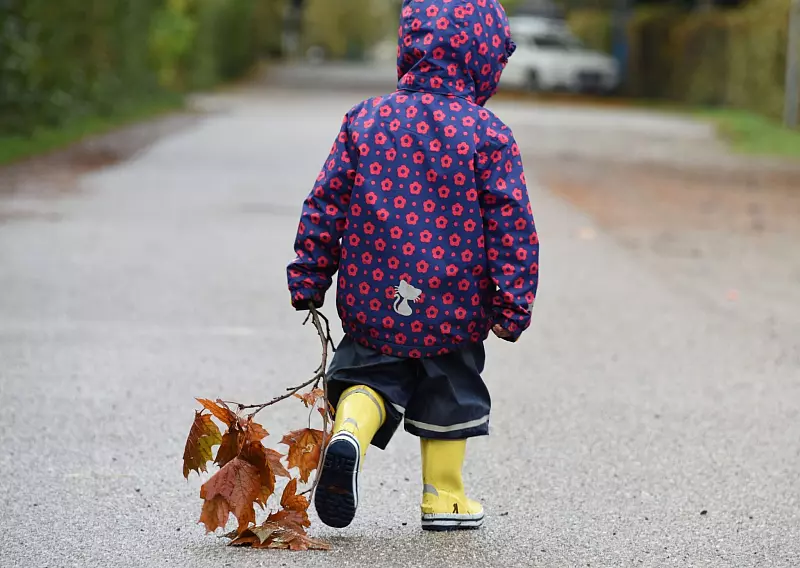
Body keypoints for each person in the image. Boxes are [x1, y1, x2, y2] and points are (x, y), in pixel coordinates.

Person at [287, 0, 539, 531]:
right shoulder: (488, 134)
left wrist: (310, 274)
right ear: (484, 59)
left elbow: (326, 202)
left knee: (368, 376)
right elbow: (511, 223)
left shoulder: (366, 120)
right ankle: (444, 498)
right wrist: (513, 304)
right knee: (451, 392)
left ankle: (350, 433)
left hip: (374, 296)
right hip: (455, 305)